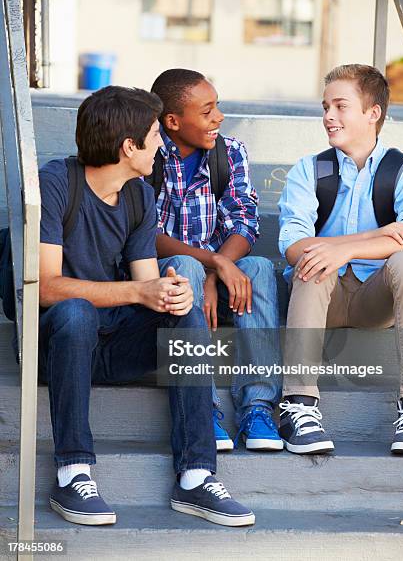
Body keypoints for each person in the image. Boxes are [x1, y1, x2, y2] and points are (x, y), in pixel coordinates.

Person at [38, 85, 255, 527]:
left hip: (114, 344)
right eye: (155, 135)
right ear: (128, 146)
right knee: (75, 312)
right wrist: (139, 293)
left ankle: (196, 476)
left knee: (181, 312)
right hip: (61, 346)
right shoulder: (57, 183)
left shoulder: (138, 195)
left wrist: (171, 292)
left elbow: (144, 284)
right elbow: (45, 287)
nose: (160, 144)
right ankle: (73, 472)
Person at [278, 64, 403, 455]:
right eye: (325, 107)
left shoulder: (400, 169)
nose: (328, 116)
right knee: (315, 262)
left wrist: (346, 248)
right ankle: (298, 405)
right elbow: (293, 244)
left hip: (376, 298)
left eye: (340, 106)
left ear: (373, 113)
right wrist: (366, 239)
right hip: (321, 298)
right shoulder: (309, 170)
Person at [150, 69, 282, 452]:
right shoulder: (149, 154)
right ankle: (201, 406)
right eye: (207, 111)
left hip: (217, 280)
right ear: (173, 122)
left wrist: (215, 270)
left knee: (257, 267)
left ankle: (257, 406)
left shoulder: (230, 152)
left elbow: (245, 219)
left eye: (217, 106)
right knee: (185, 267)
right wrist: (210, 264)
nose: (218, 117)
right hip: (167, 281)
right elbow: (145, 235)